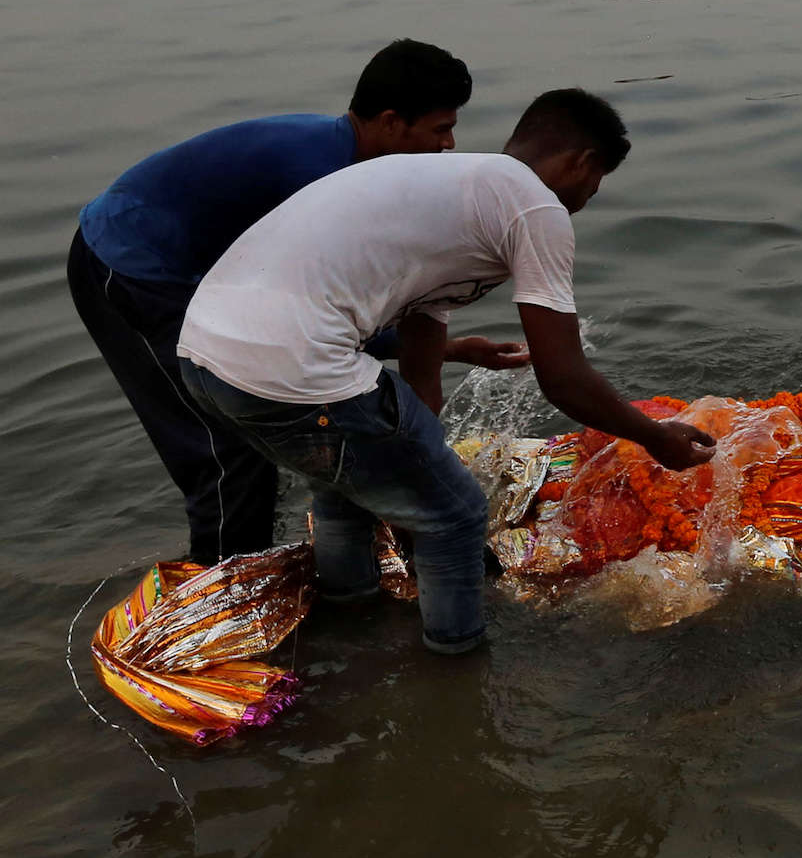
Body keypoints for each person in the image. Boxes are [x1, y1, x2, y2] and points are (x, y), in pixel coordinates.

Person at [177, 89, 718, 655]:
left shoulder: (446, 186)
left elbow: (421, 351)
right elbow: (563, 376)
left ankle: (353, 626)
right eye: (596, 181)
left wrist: (418, 452)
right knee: (456, 516)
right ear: (581, 162)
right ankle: (456, 672)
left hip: (203, 356)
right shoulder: (534, 207)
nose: (588, 197)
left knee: (347, 486)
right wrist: (654, 437)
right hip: (292, 368)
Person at [67, 40, 511, 566]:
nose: (450, 144)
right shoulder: (322, 179)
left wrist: (449, 347)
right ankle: (225, 604)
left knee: (266, 429)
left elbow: (330, 320)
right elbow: (315, 317)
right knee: (223, 452)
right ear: (391, 122)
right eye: (440, 130)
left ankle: (266, 565)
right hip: (130, 266)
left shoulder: (348, 162)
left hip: (192, 272)